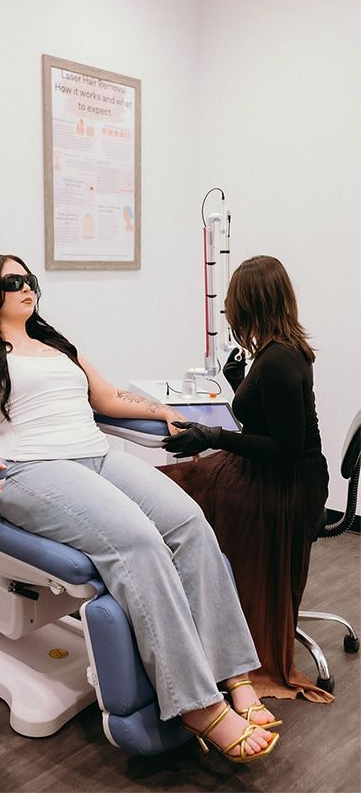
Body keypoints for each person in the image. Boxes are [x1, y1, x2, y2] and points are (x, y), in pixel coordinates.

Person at [0, 254, 281, 763]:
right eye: (14, 281)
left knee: (189, 523)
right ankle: (195, 703)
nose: (27, 287)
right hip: (29, 468)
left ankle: (234, 674)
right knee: (137, 541)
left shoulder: (57, 346)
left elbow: (108, 396)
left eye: (30, 279)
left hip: (93, 454)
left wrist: (161, 411)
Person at [161, 255, 331, 704]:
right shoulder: (280, 351)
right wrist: (239, 381)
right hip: (282, 475)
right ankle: (207, 617)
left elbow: (285, 448)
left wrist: (215, 435)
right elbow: (265, 418)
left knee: (182, 492)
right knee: (183, 483)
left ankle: (214, 629)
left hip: (285, 486)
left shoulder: (278, 361)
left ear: (249, 305)